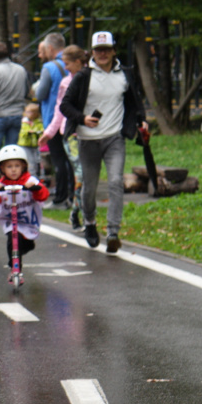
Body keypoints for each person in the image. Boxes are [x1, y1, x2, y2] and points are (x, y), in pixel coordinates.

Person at [58, 31, 147, 253]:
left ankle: (113, 232)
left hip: (114, 138)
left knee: (116, 182)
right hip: (88, 141)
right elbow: (65, 106)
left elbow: (134, 101)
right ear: (92, 53)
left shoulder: (124, 74)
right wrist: (83, 119)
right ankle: (89, 223)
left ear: (114, 50)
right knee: (89, 188)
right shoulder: (83, 76)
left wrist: (142, 122)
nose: (103, 54)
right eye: (98, 50)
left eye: (107, 49)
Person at [38, 44, 87, 228]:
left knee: (87, 173)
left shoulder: (92, 79)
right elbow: (60, 111)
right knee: (80, 172)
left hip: (91, 132)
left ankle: (83, 209)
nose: (65, 67)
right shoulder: (66, 82)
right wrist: (49, 133)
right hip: (71, 133)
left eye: (67, 63)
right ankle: (77, 211)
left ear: (78, 62)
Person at [0, 144, 50, 276]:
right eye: (9, 167)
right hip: (10, 220)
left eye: (17, 166)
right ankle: (14, 268)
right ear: (2, 168)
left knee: (25, 244)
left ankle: (26, 247)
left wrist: (35, 188)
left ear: (24, 166)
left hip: (28, 219)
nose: (13, 170)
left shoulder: (30, 181)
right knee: (13, 238)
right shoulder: (1, 185)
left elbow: (43, 195)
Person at [0, 42, 30, 189]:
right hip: (16, 114)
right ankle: (12, 184)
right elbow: (26, 90)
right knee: (13, 152)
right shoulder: (21, 70)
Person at [18, 102, 44, 177]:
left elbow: (41, 130)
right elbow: (23, 131)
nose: (29, 113)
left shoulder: (38, 122)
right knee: (30, 162)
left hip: (35, 145)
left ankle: (39, 176)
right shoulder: (24, 122)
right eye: (27, 112)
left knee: (37, 161)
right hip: (25, 145)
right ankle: (32, 176)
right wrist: (28, 132)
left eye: (31, 112)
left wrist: (40, 133)